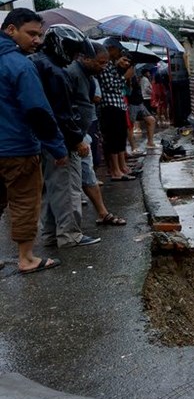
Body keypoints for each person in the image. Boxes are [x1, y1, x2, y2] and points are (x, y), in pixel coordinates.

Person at [0, 8, 67, 273]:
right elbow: (38, 111)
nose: (37, 40)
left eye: (39, 35)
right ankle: (26, 258)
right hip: (17, 148)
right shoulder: (20, 65)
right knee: (25, 202)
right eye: (31, 34)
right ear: (10, 29)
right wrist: (57, 147)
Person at [30, 24, 101, 249]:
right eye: (72, 51)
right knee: (67, 187)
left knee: (52, 189)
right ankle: (70, 235)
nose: (73, 56)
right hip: (60, 140)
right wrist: (76, 139)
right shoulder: (55, 71)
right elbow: (63, 113)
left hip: (43, 140)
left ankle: (52, 234)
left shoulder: (37, 63)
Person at [66, 40, 125, 227]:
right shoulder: (72, 74)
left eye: (106, 63)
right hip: (73, 136)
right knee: (71, 184)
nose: (104, 66)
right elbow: (66, 110)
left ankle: (102, 213)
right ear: (85, 58)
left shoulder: (88, 76)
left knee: (87, 174)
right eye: (100, 62)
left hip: (82, 133)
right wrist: (76, 137)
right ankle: (68, 232)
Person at [96, 38, 137, 181]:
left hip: (118, 104)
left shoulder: (112, 65)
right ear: (110, 48)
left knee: (120, 138)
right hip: (109, 106)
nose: (119, 53)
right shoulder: (105, 65)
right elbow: (111, 86)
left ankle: (122, 167)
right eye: (117, 50)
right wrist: (124, 76)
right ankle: (115, 170)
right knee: (112, 140)